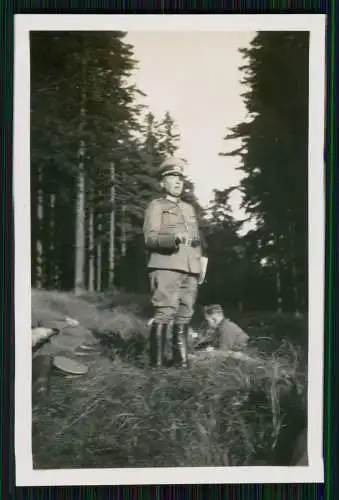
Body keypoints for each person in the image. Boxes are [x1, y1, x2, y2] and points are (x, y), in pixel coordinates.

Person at [143, 157, 207, 368]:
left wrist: (200, 265)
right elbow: (149, 239)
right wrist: (173, 238)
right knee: (164, 312)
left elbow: (196, 239)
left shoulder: (189, 209)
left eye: (180, 177)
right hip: (166, 265)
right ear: (163, 183)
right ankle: (158, 367)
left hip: (191, 269)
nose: (178, 182)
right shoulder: (156, 206)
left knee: (185, 313)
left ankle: (181, 364)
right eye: (172, 177)